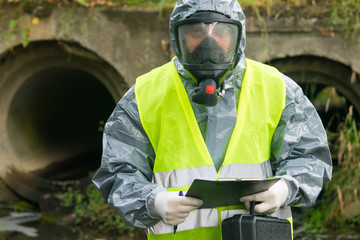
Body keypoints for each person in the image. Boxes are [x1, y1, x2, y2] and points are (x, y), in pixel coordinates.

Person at [92, 0, 333, 239]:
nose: (209, 42)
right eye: (196, 31)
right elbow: (117, 171)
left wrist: (285, 188)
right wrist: (154, 201)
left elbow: (310, 154)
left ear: (238, 35)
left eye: (220, 30)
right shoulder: (144, 96)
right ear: (179, 37)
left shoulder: (277, 89)